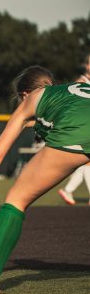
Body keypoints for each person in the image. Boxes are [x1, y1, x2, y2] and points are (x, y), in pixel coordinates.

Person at [0, 66, 90, 294]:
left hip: (77, 132)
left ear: (24, 94)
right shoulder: (72, 90)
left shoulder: (31, 99)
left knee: (16, 198)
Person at [57, 53, 90, 206]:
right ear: (87, 66)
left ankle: (68, 190)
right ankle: (68, 190)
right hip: (80, 126)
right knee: (87, 161)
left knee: (85, 163)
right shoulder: (81, 82)